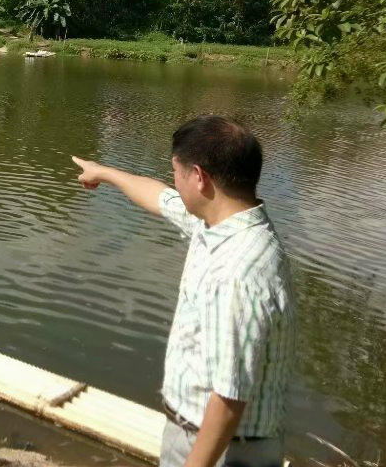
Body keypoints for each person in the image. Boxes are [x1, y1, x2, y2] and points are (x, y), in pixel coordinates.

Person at [71, 115, 295, 467]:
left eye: (177, 171)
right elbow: (160, 197)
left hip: (224, 450)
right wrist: (104, 172)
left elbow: (229, 397)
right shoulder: (221, 223)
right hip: (205, 437)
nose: (174, 180)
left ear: (200, 177)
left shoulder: (238, 271)